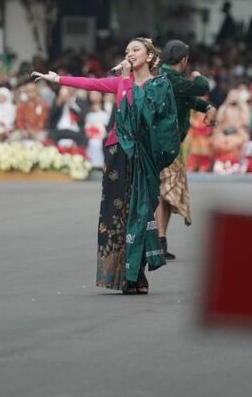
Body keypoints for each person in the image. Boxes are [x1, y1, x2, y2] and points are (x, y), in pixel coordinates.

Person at [32, 37, 179, 295]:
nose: (130, 54)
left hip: (144, 157)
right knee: (118, 215)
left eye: (135, 50)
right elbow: (91, 83)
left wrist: (124, 79)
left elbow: (153, 115)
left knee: (142, 212)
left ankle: (137, 274)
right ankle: (122, 276)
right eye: (127, 51)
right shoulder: (122, 82)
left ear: (150, 56)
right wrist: (57, 79)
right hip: (118, 154)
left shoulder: (160, 85)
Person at [155, 40, 216, 260]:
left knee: (166, 194)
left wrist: (207, 107)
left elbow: (190, 99)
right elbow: (202, 88)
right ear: (184, 60)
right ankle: (156, 241)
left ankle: (160, 241)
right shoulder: (170, 78)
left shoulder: (169, 79)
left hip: (168, 144)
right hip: (165, 146)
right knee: (165, 192)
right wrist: (198, 75)